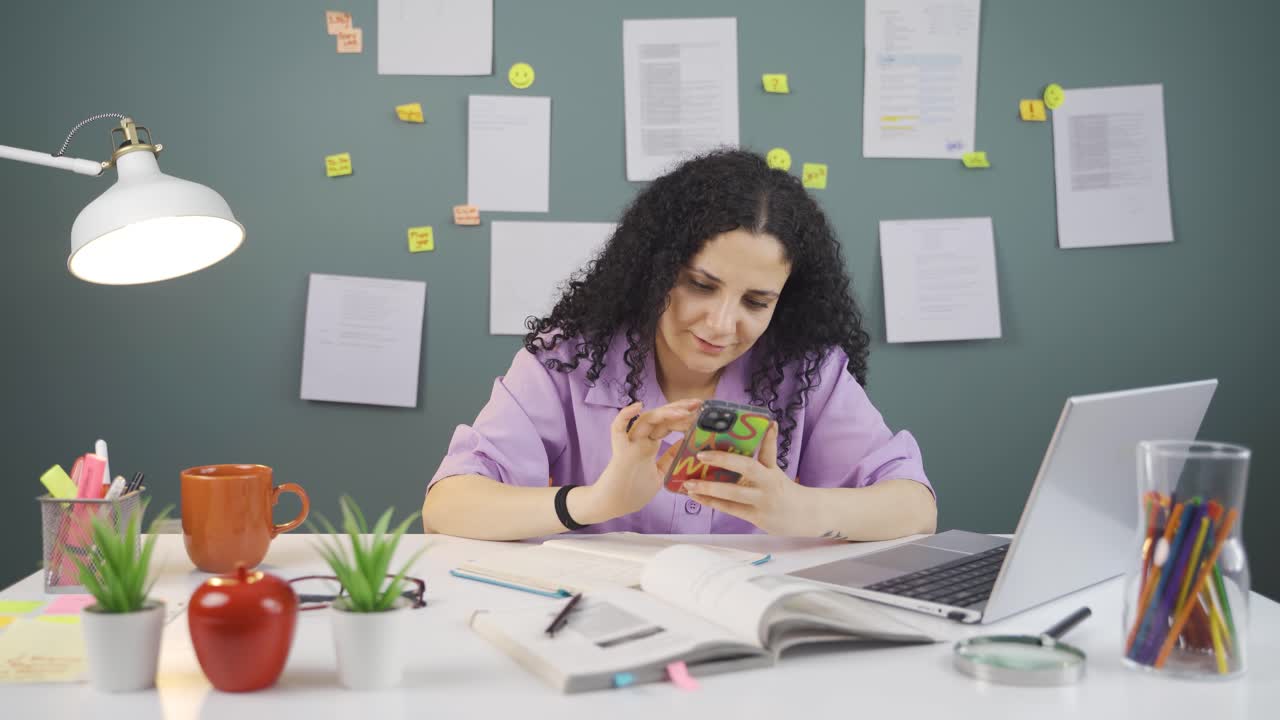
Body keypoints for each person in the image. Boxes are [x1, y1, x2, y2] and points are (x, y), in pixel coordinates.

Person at [423, 149, 935, 541]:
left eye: (756, 302)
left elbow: (916, 508)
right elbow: (446, 505)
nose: (720, 323)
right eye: (701, 285)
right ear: (656, 270)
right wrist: (594, 501)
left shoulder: (808, 372)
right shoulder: (569, 359)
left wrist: (798, 508)